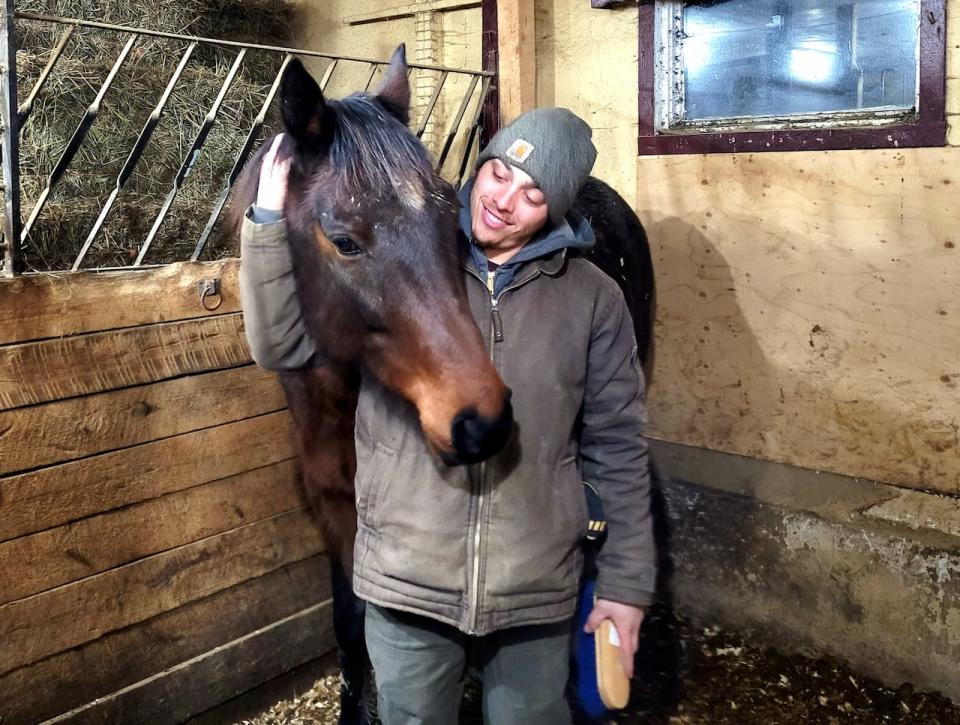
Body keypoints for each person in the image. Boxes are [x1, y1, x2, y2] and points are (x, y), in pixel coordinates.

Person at [240, 107, 656, 724]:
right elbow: (283, 346)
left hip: (533, 586)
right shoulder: (411, 259)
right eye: (497, 174)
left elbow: (617, 445)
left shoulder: (592, 298)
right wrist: (270, 222)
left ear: (558, 208)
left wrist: (625, 586)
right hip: (412, 580)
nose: (503, 201)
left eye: (533, 193)